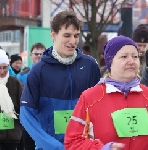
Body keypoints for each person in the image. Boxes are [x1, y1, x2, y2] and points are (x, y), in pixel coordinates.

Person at [20, 10, 101, 150]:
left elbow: (99, 107)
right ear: (53, 34)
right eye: (67, 35)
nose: (73, 41)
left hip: (83, 145)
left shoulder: (90, 66)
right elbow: (26, 115)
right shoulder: (38, 70)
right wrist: (52, 146)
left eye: (76, 35)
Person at [64, 35, 148, 150]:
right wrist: (102, 148)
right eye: (124, 57)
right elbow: (72, 141)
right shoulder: (90, 98)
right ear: (110, 62)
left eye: (135, 56)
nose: (131, 61)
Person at [17, 42, 46, 150]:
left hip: (45, 118)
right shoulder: (22, 75)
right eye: (36, 53)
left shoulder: (51, 73)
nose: (39, 56)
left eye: (41, 53)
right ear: (31, 55)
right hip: (29, 118)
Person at [0, 50, 23, 150]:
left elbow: (24, 106)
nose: (2, 71)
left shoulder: (15, 83)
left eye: (4, 67)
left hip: (12, 136)